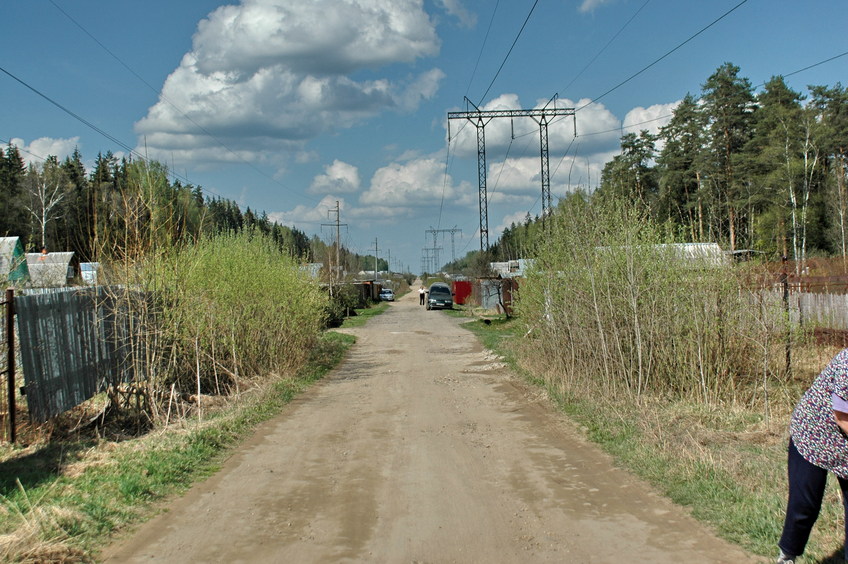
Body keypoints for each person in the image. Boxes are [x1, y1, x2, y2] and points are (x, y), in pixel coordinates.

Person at [777, 348, 848, 564]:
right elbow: (842, 417)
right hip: (814, 433)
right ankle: (787, 555)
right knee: (805, 504)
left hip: (844, 447)